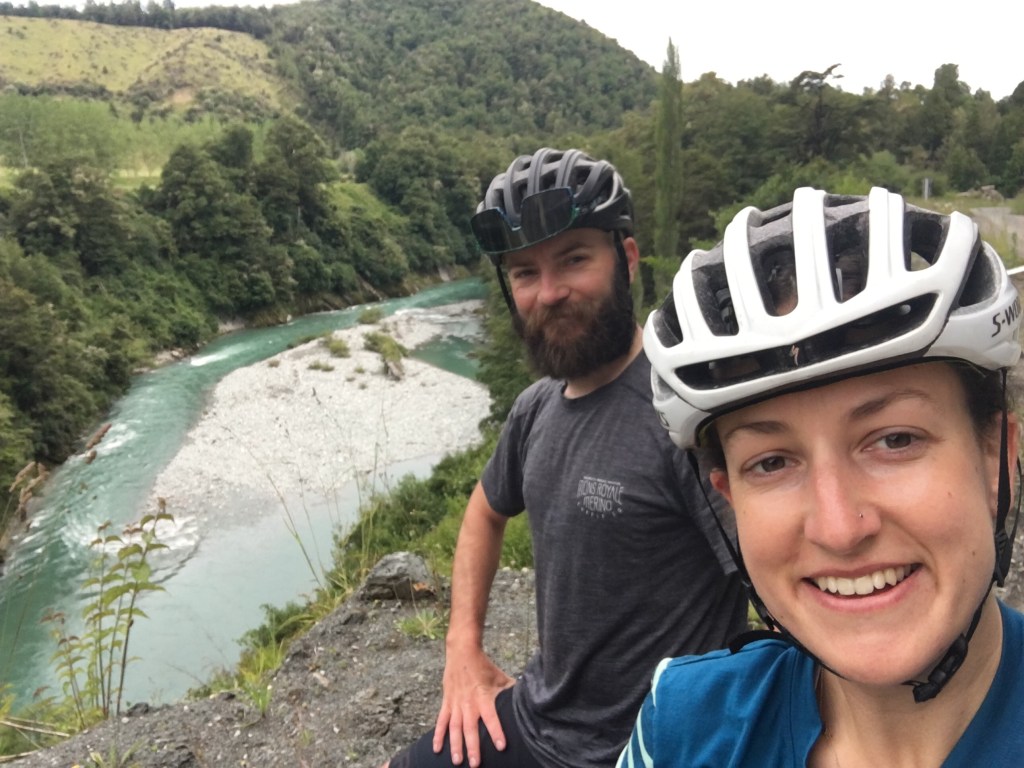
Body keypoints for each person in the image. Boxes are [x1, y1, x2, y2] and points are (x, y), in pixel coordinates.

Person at [619, 186, 1024, 767]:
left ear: (996, 457)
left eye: (895, 439)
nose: (839, 529)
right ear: (729, 500)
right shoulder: (681, 726)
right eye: (772, 462)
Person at [383, 147, 749, 768]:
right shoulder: (535, 408)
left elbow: (783, 583)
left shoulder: (682, 414)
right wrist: (462, 648)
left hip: (652, 749)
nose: (549, 293)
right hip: (539, 721)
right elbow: (483, 513)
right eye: (525, 273)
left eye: (574, 260)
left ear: (626, 259)